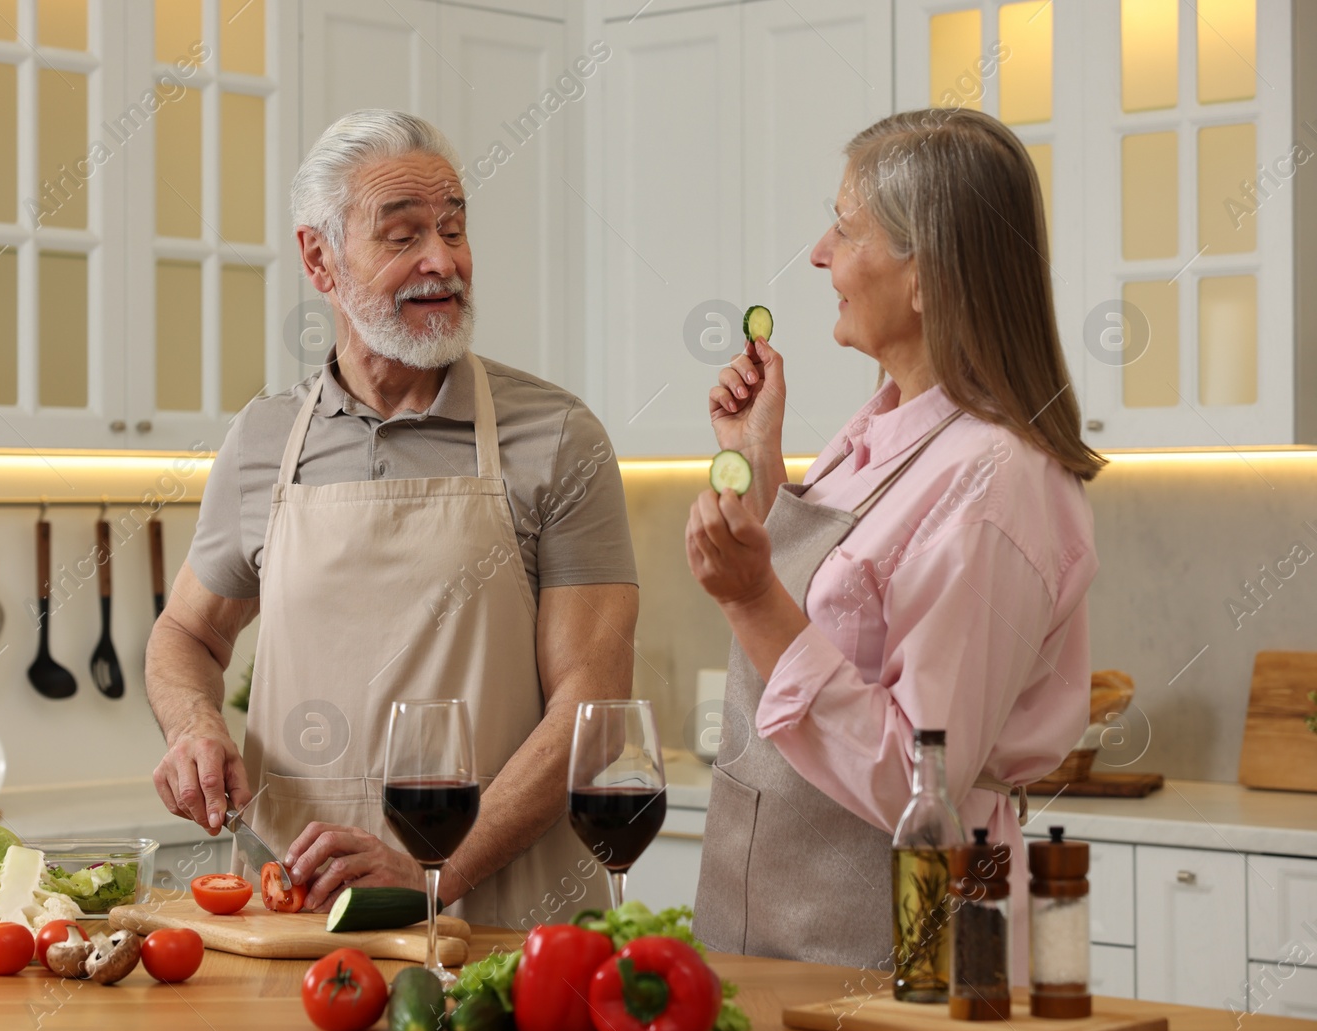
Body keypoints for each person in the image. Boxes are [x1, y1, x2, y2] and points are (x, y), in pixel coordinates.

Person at [145, 110, 638, 926]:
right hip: (294, 915)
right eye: (403, 235)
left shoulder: (556, 437)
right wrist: (194, 725)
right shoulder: (266, 439)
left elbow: (593, 711)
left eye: (453, 227)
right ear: (320, 259)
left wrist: (433, 872)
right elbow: (186, 636)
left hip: (501, 924)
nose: (441, 261)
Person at [685, 109, 1102, 979]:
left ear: (926, 275)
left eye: (847, 226)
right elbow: (839, 624)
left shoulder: (997, 482)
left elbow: (927, 786)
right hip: (773, 928)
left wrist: (752, 600)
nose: (819, 253)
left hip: (905, 947)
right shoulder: (880, 430)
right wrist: (757, 471)